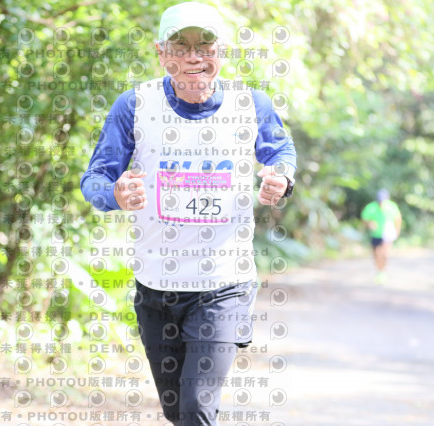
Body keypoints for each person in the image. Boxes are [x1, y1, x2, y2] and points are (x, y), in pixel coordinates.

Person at [81, 2, 297, 424]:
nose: (194, 58)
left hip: (224, 285)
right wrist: (115, 195)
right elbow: (96, 178)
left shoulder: (250, 104)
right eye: (180, 47)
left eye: (205, 46)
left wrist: (282, 177)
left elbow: (280, 151)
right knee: (176, 410)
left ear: (222, 52)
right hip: (156, 286)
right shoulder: (134, 106)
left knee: (197, 406)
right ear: (161, 52)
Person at [360, 189, 402, 284]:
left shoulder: (392, 207)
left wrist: (397, 231)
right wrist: (369, 224)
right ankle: (379, 270)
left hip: (387, 234)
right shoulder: (371, 207)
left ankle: (382, 271)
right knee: (376, 253)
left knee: (383, 253)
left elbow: (398, 218)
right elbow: (364, 219)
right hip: (375, 234)